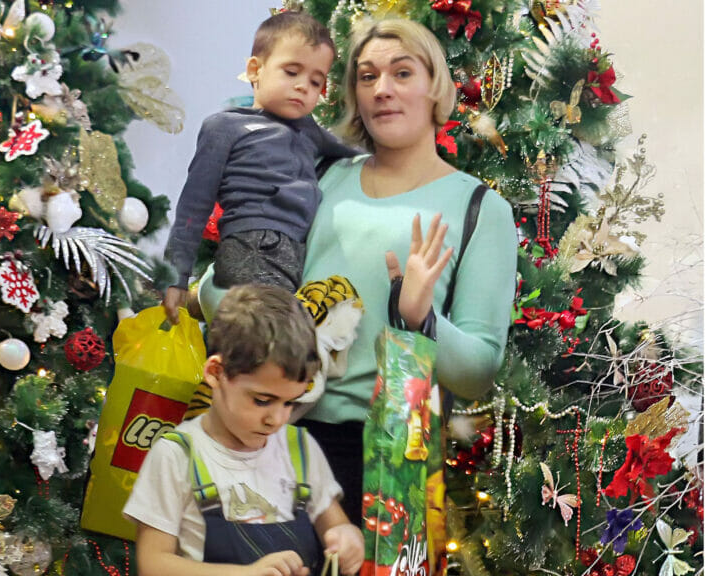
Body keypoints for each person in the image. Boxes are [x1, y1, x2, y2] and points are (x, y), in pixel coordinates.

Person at [199, 18, 518, 523]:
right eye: (367, 77)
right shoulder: (317, 174)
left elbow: (479, 372)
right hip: (266, 431)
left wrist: (420, 319)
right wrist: (250, 294)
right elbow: (217, 295)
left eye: (402, 73)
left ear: (436, 88)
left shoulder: (481, 208)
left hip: (380, 462)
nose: (382, 90)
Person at [124, 284, 364, 576]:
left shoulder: (300, 448)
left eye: (290, 402)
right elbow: (153, 564)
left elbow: (336, 525)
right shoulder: (177, 455)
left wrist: (348, 537)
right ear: (216, 373)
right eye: (263, 400)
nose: (276, 419)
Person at [163, 11, 358, 325]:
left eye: (315, 81)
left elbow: (355, 152)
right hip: (253, 244)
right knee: (268, 332)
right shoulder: (226, 126)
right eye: (291, 72)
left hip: (298, 251)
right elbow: (193, 206)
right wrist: (176, 278)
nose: (302, 87)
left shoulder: (309, 130)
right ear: (255, 69)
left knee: (284, 335)